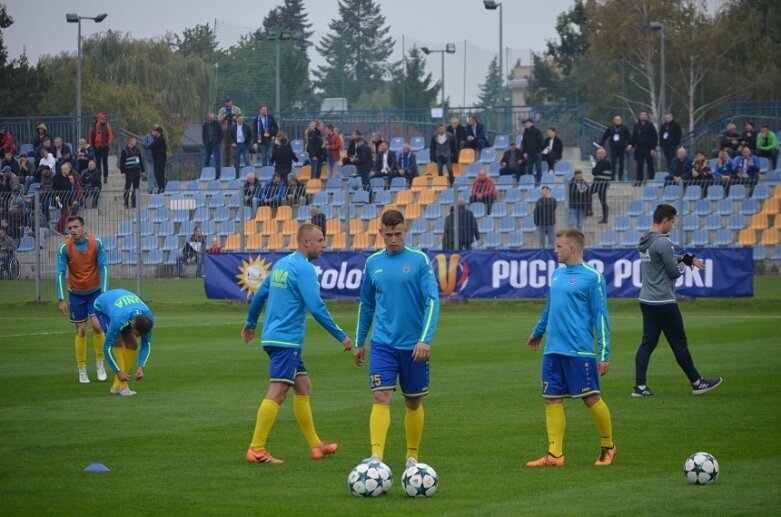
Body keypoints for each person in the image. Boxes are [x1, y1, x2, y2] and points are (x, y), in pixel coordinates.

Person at [242, 223, 352, 464]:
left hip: (273, 336)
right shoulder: (304, 269)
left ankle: (316, 446)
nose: (324, 244)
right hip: (286, 340)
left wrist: (251, 323)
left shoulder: (282, 264)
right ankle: (256, 448)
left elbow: (260, 295)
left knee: (303, 387)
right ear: (306, 243)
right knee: (278, 391)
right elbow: (316, 306)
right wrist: (340, 335)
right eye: (321, 240)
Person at [354, 209, 440, 469]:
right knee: (381, 397)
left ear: (406, 230)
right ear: (380, 232)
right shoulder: (373, 263)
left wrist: (424, 339)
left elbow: (432, 302)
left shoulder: (419, 260)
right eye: (388, 234)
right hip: (383, 344)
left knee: (413, 400)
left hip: (414, 346)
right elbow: (366, 304)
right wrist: (360, 341)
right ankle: (376, 458)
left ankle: (412, 456)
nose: (393, 240)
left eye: (398, 234)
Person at [526, 228, 615, 467]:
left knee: (591, 398)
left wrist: (604, 353)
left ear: (572, 248)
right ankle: (555, 455)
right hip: (553, 349)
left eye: (559, 246)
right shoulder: (557, 274)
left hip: (579, 350)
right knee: (551, 399)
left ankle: (608, 445)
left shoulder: (592, 277)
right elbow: (550, 307)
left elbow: (601, 316)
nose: (555, 250)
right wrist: (538, 332)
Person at [634, 204, 723, 397]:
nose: (673, 225)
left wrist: (683, 258)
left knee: (647, 343)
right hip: (663, 301)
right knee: (679, 343)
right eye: (672, 221)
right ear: (665, 221)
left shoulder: (645, 239)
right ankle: (698, 383)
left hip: (646, 299)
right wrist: (684, 266)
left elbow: (663, 257)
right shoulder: (664, 242)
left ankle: (639, 387)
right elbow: (674, 272)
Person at [55, 215, 109, 384]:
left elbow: (104, 268)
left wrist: (104, 293)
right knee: (81, 331)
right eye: (70, 228)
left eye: (76, 227)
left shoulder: (97, 243)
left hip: (95, 293)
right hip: (76, 294)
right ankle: (82, 369)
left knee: (98, 327)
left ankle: (100, 364)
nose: (73, 231)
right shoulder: (64, 247)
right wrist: (61, 298)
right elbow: (60, 273)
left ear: (83, 227)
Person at [94, 288, 154, 397]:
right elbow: (107, 348)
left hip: (123, 307)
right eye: (137, 334)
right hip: (102, 307)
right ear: (132, 325)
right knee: (117, 341)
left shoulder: (148, 318)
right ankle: (123, 386)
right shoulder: (119, 319)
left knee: (133, 345)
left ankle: (116, 387)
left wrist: (141, 366)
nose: (138, 336)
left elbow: (146, 345)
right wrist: (117, 372)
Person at [627, 111, 658, 186]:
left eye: (644, 115)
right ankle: (639, 181)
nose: (643, 116)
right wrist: (631, 145)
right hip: (639, 148)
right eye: (642, 115)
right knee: (639, 165)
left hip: (648, 147)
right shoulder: (637, 126)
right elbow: (634, 136)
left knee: (650, 164)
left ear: (647, 116)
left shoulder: (650, 126)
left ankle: (651, 180)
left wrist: (653, 148)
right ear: (639, 116)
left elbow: (654, 138)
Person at [599, 115, 631, 181]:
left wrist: (629, 144)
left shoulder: (624, 128)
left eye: (619, 120)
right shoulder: (611, 128)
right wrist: (601, 144)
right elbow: (605, 136)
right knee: (613, 162)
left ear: (621, 121)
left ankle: (620, 176)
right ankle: (612, 176)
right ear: (614, 121)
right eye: (616, 120)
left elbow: (629, 138)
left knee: (621, 162)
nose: (618, 121)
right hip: (613, 148)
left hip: (621, 148)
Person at [119, 136, 145, 209]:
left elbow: (140, 161)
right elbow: (122, 163)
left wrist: (143, 170)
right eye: (134, 141)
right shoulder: (124, 151)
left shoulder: (137, 150)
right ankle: (126, 203)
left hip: (137, 171)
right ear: (129, 142)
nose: (135, 142)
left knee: (136, 188)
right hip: (129, 172)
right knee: (127, 187)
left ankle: (134, 203)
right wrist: (122, 172)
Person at [87, 113, 113, 183]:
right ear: (98, 119)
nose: (103, 119)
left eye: (104, 118)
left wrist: (108, 144)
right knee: (97, 163)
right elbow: (90, 136)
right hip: (96, 147)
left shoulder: (106, 125)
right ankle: (98, 177)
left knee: (105, 162)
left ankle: (105, 177)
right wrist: (91, 145)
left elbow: (110, 135)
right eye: (102, 118)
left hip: (104, 147)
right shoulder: (93, 126)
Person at [218, 98, 241, 168]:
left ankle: (233, 163)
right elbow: (219, 120)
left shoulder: (237, 109)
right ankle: (226, 164)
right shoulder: (222, 110)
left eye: (229, 103)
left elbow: (240, 118)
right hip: (225, 130)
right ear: (225, 103)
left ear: (232, 103)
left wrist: (234, 117)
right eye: (227, 103)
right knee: (225, 147)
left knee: (233, 147)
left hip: (234, 130)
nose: (228, 105)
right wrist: (225, 116)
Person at [591, 148, 612, 224]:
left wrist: (594, 170)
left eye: (598, 153)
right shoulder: (604, 163)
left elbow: (594, 171)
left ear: (603, 154)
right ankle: (590, 210)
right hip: (600, 184)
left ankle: (604, 216)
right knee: (602, 200)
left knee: (602, 200)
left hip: (600, 184)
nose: (597, 155)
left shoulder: (603, 162)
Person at [521, 118, 545, 183]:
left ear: (530, 123)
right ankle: (531, 182)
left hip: (537, 154)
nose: (525, 124)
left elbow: (541, 142)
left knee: (538, 169)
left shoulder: (537, 131)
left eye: (526, 123)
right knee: (529, 169)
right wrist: (524, 152)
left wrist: (538, 151)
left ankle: (539, 182)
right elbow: (523, 144)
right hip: (528, 155)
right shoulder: (525, 133)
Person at [202, 112, 223, 178]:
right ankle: (206, 174)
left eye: (213, 117)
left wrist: (219, 143)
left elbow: (221, 134)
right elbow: (203, 135)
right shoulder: (205, 124)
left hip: (216, 144)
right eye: (211, 117)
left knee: (217, 159)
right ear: (208, 117)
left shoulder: (217, 123)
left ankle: (217, 175)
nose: (212, 118)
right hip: (208, 144)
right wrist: (205, 143)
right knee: (207, 159)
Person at [149, 125, 167, 193]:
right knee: (156, 174)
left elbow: (151, 146)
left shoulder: (161, 139)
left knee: (160, 174)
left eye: (155, 131)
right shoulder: (156, 139)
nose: (154, 133)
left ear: (158, 132)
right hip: (156, 159)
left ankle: (161, 188)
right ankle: (160, 187)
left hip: (160, 160)